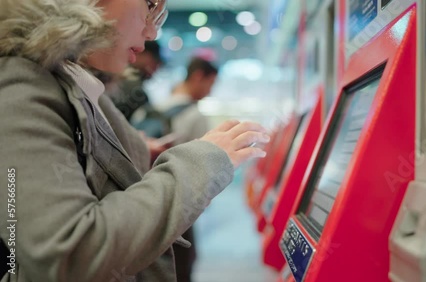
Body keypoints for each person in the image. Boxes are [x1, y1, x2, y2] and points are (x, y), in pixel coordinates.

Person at [0, 1, 269, 282]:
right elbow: (71, 252)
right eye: (150, 5)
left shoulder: (72, 82)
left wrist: (141, 152)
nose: (152, 31)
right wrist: (201, 163)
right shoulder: (20, 85)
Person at [157, 57, 218, 282]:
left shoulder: (156, 107)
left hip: (151, 196)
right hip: (181, 201)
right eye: (211, 84)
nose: (210, 91)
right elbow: (204, 164)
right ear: (198, 76)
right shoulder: (195, 115)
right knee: (183, 262)